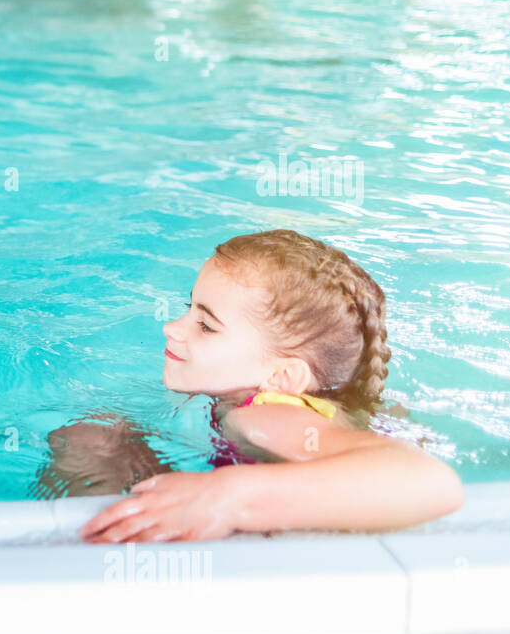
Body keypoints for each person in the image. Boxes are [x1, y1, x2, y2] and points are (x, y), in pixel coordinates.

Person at [37, 229, 463, 542]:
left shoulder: (263, 417)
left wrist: (226, 496)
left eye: (205, 325)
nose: (171, 327)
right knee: (101, 434)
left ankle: (90, 562)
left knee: (87, 442)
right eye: (189, 308)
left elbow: (432, 483)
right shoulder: (296, 402)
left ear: (282, 377)